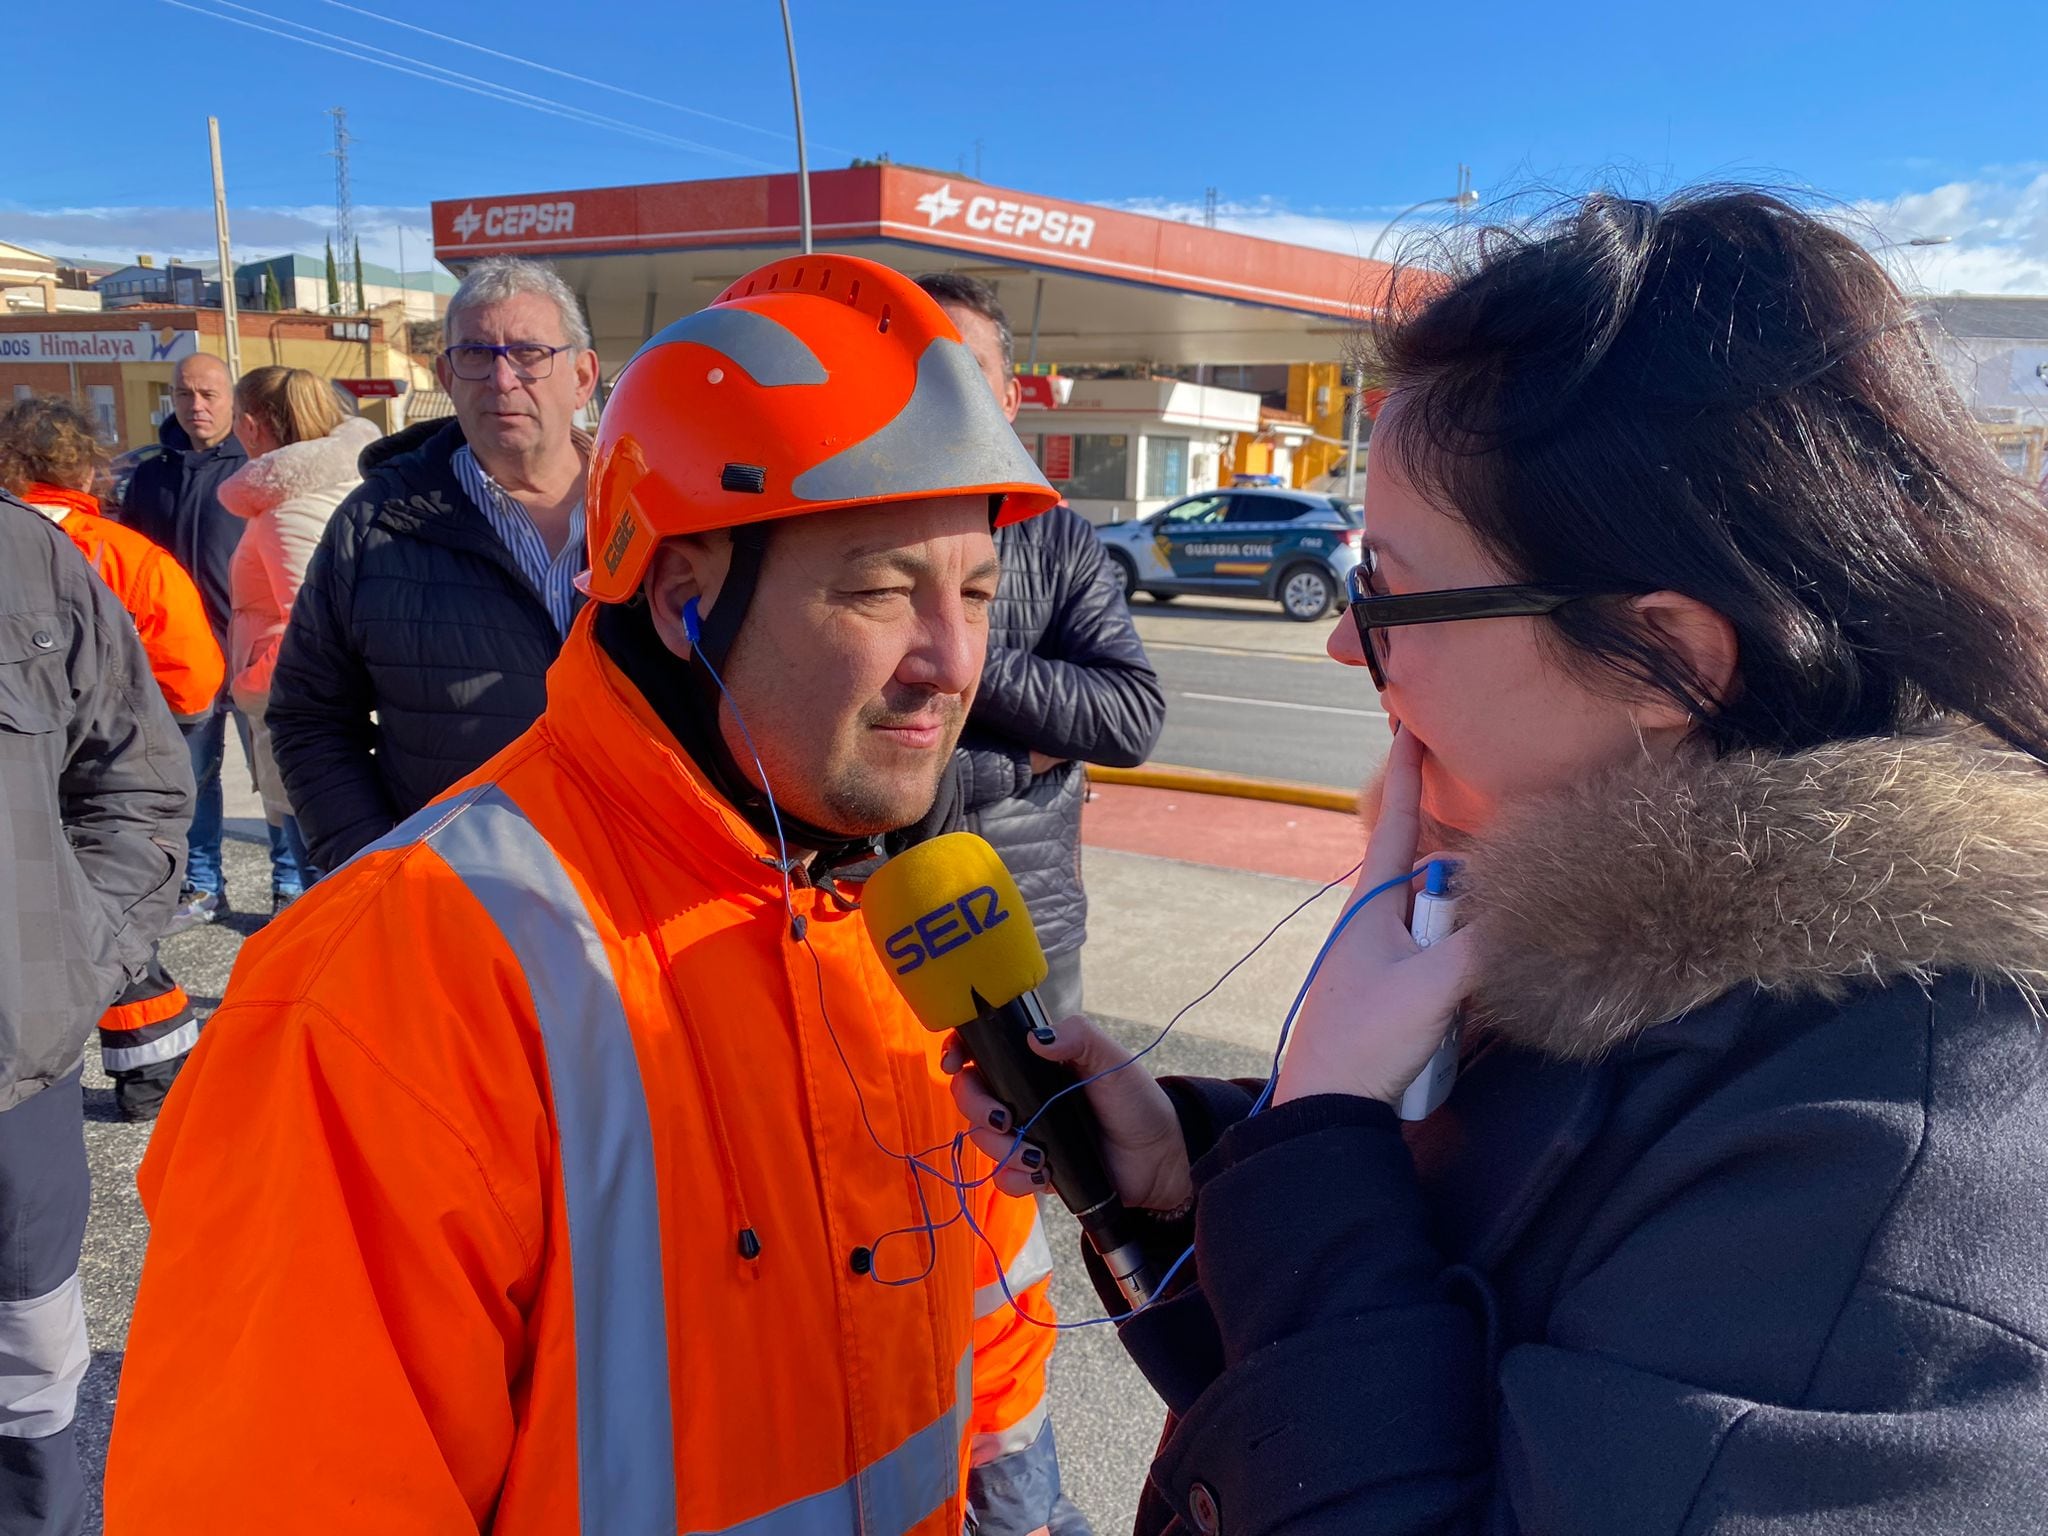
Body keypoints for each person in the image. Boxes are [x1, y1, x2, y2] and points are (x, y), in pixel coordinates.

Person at [950, 190, 2048, 1532]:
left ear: (1669, 661)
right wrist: (1210, 1168)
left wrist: (1316, 1143)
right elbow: (1511, 1243)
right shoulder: (1650, 964)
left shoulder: (1890, 1179)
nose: (1351, 648)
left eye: (1388, 598)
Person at [108, 256, 1084, 1534]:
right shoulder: (383, 995)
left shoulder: (883, 913)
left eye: (973, 591)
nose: (956, 664)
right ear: (682, 598)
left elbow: (986, 1308)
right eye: (877, 586)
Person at [267, 257, 598, 873]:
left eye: (528, 353)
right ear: (447, 375)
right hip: (462, 900)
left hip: (645, 889)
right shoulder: (376, 523)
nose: (503, 379)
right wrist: (371, 865)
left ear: (582, 376)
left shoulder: (662, 510)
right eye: (476, 354)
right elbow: (309, 716)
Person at [0, 486, 192, 1530]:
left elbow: (134, 778)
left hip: (14, 1080)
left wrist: (76, 952)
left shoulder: (28, 558)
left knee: (29, 1404)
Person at [915, 274, 1165, 1025]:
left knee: (1040, 1134)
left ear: (1012, 395)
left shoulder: (1060, 539)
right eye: (920, 366)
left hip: (1029, 922)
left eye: (967, 365)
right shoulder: (836, 537)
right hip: (878, 911)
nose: (942, 387)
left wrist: (955, 646)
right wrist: (1020, 760)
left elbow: (1128, 719)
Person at [1, 394, 218, 1120]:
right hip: (118, 761)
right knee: (101, 920)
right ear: (87, 466)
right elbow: (191, 664)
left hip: (34, 780)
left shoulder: (24, 547)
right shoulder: (121, 553)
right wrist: (170, 725)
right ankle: (149, 1073)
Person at [124, 352, 306, 922]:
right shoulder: (154, 474)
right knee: (191, 779)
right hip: (182, 660)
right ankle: (202, 885)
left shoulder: (257, 467)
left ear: (232, 400)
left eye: (209, 394)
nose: (196, 407)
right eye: (184, 395)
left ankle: (290, 888)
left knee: (278, 779)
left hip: (254, 653)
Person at [218, 367, 380, 904]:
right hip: (325, 707)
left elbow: (305, 630)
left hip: (300, 714)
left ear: (249, 425)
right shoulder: (338, 484)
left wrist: (246, 684)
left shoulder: (288, 508)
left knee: (325, 883)